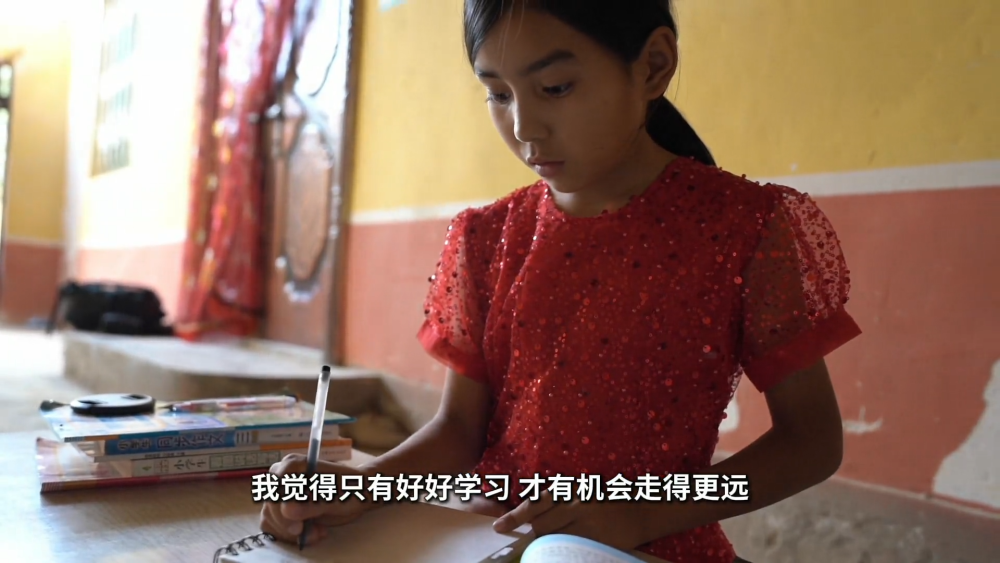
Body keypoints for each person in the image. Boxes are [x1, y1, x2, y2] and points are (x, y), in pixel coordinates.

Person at [259, 1, 863, 562]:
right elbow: (460, 431)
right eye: (498, 94)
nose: (525, 127)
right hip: (491, 542)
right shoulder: (486, 237)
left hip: (649, 547)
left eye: (555, 88)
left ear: (653, 66)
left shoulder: (742, 227)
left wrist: (641, 513)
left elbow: (810, 440)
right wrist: (364, 485)